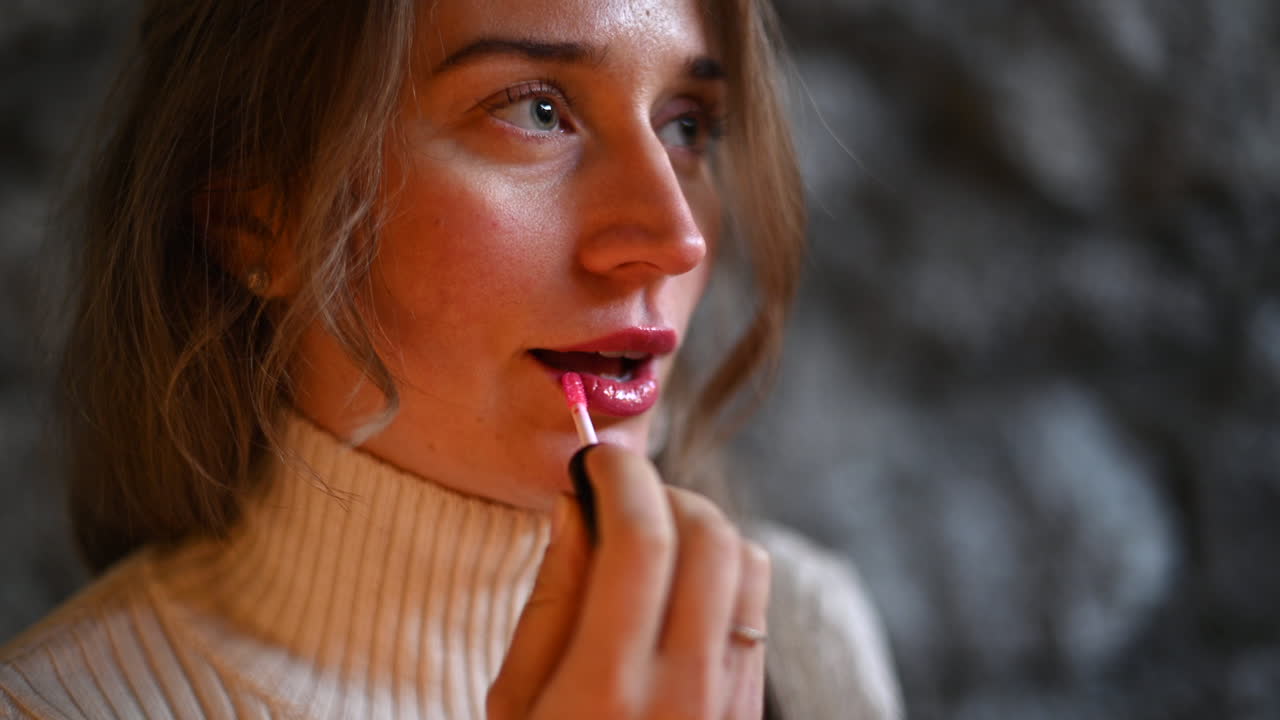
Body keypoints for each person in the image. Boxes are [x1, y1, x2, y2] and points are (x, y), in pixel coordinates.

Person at [0, 0, 902, 717]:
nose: (673, 238)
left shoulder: (803, 634)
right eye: (537, 111)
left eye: (687, 126)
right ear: (254, 219)